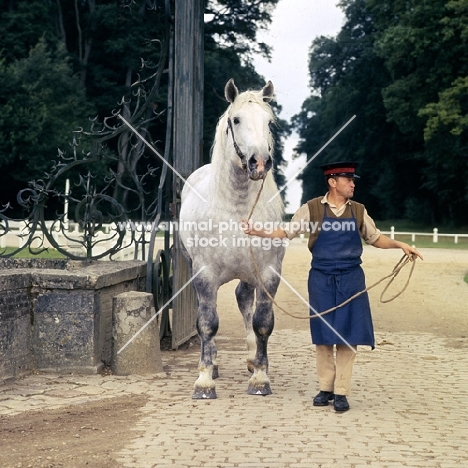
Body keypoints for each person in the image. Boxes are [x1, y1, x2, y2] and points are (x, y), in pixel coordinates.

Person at [241, 161, 423, 412]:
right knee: (324, 337)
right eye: (348, 180)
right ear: (332, 182)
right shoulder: (312, 209)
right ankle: (325, 387)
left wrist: (401, 245)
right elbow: (286, 232)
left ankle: (341, 392)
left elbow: (375, 238)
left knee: (349, 337)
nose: (353, 184)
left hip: (351, 279)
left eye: (352, 180)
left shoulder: (359, 211)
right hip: (321, 279)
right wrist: (256, 231)